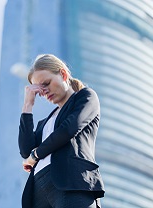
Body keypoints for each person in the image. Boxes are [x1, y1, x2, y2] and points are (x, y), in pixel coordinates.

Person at [19, 54, 105, 208]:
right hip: (38, 192)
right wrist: (27, 106)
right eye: (40, 90)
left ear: (63, 74)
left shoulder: (86, 97)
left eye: (46, 83)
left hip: (71, 183)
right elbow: (26, 151)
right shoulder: (43, 123)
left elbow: (69, 129)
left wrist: (36, 155)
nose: (44, 92)